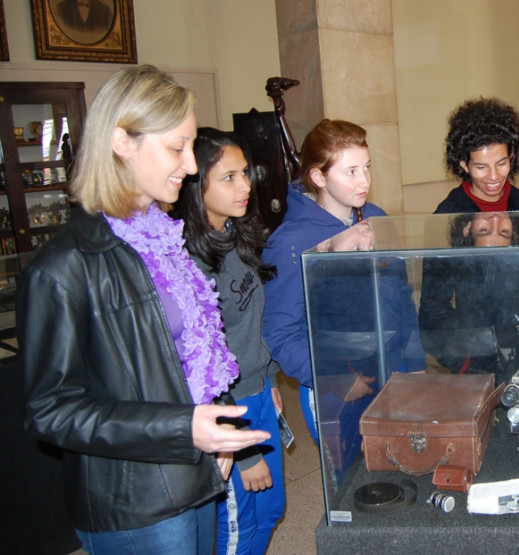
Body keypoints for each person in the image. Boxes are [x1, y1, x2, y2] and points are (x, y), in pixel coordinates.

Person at [18, 65, 270, 554]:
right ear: (121, 141)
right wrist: (183, 429)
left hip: (193, 471)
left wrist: (213, 426)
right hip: (136, 500)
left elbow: (189, 356)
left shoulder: (167, 241)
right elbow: (51, 411)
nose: (191, 166)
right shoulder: (64, 265)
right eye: (177, 147)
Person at [261, 119, 425, 444]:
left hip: (393, 365)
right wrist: (332, 379)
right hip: (337, 383)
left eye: (366, 167)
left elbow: (401, 296)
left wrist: (416, 362)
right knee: (350, 481)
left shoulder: (375, 216)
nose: (364, 180)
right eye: (350, 171)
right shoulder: (292, 242)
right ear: (318, 176)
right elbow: (279, 332)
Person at [176, 128, 285, 555]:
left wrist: (271, 378)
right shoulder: (190, 262)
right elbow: (199, 366)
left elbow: (252, 325)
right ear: (195, 184)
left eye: (245, 173)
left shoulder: (236, 236)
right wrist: (242, 451)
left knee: (270, 509)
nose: (245, 186)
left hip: (256, 392)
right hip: (226, 409)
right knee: (238, 526)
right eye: (228, 177)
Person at [418, 211, 519, 388]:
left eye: (503, 233)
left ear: (515, 236)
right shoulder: (455, 264)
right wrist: (465, 357)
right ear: (467, 229)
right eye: (484, 231)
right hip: (478, 374)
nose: (495, 220)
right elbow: (432, 321)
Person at [435, 97, 519, 214]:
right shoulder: (448, 214)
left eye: (501, 164)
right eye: (481, 167)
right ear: (464, 165)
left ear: (511, 156)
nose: (494, 176)